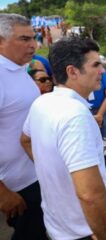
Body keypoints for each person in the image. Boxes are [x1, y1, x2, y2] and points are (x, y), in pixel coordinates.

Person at [21, 37, 106, 240]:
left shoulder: (42, 103)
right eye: (96, 65)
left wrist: (53, 173)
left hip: (56, 224)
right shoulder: (76, 116)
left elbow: (25, 140)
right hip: (84, 231)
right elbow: (90, 195)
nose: (102, 71)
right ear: (72, 71)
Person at [0, 13, 47, 239]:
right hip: (16, 185)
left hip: (34, 175)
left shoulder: (18, 70)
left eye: (34, 37)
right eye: (24, 39)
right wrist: (2, 193)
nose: (33, 45)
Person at [88, 70, 106, 138]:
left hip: (102, 110)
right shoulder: (78, 74)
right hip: (86, 112)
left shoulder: (102, 73)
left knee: (104, 137)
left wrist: (100, 115)